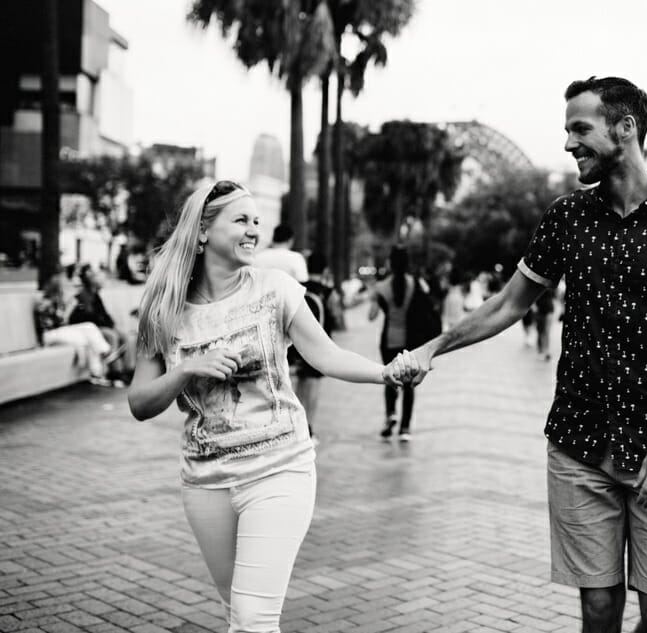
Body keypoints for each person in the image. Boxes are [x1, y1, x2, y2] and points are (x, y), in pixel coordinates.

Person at [390, 76, 647, 633]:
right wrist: (433, 347)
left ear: (626, 128)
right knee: (598, 610)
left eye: (580, 128)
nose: (569, 143)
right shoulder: (567, 217)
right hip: (580, 443)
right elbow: (507, 304)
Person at [126, 180, 403, 631]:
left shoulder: (276, 288)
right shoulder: (162, 309)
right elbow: (140, 402)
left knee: (253, 618)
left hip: (280, 469)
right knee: (237, 613)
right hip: (205, 482)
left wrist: (384, 373)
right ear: (202, 232)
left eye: (257, 221)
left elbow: (327, 355)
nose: (254, 230)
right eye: (241, 220)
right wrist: (186, 369)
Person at [369, 245, 438, 441]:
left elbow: (371, 316)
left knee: (389, 378)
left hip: (389, 340)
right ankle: (405, 428)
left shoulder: (381, 287)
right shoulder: (416, 283)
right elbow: (428, 303)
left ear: (390, 263)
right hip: (411, 341)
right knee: (409, 384)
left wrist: (377, 300)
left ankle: (391, 414)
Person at [34, 273, 118, 385]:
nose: (70, 288)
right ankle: (105, 354)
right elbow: (58, 323)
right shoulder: (45, 302)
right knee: (88, 333)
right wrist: (68, 308)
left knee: (89, 329)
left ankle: (97, 372)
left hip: (60, 332)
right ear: (58, 288)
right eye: (66, 286)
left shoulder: (59, 302)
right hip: (49, 335)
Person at [294, 252, 343, 435]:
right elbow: (337, 316)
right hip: (319, 344)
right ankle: (309, 427)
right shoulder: (328, 292)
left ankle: (296, 423)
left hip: (297, 342)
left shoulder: (298, 287)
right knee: (313, 385)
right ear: (324, 269)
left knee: (299, 382)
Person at [70, 263, 129, 381]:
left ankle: (128, 369)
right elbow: (87, 318)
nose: (100, 281)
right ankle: (115, 372)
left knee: (124, 336)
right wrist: (107, 326)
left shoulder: (96, 296)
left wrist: (112, 325)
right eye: (96, 277)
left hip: (100, 326)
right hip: (90, 329)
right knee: (111, 336)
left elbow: (104, 314)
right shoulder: (82, 296)